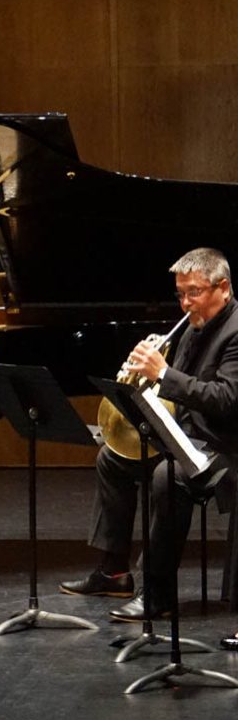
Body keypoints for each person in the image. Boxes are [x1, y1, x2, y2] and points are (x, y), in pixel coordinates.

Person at [60, 247, 238, 624]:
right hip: (186, 437)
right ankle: (113, 572)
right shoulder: (194, 326)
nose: (185, 303)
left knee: (167, 475)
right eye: (181, 294)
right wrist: (144, 372)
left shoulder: (236, 332)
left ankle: (157, 594)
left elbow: (225, 399)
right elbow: (177, 390)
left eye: (194, 292)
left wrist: (163, 373)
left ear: (223, 288)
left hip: (223, 447)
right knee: (112, 459)